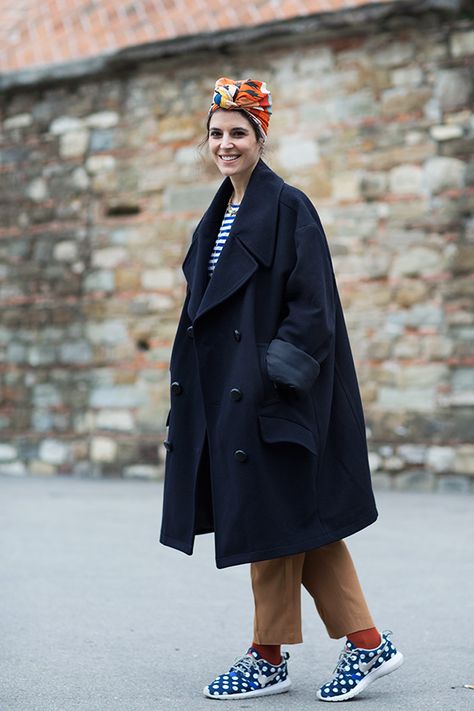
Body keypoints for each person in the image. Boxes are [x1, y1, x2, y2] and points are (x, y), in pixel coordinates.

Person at [160, 77, 403, 702]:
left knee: (273, 515)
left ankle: (270, 655)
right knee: (294, 518)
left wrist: (273, 375)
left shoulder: (288, 207)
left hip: (274, 394)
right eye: (216, 134)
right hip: (228, 396)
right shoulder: (214, 217)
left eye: (238, 133)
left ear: (260, 138)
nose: (225, 144)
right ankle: (368, 644)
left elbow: (313, 306)